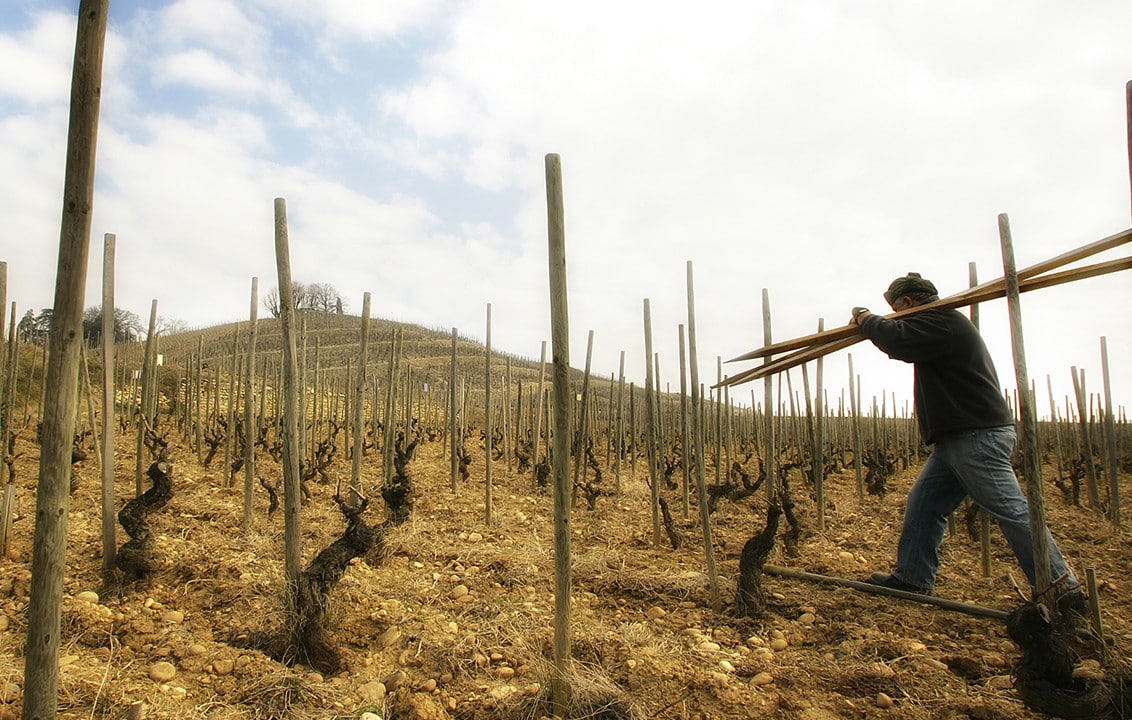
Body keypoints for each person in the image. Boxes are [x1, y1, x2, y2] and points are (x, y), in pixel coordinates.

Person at [850, 272, 1084, 615]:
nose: (895, 313)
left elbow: (895, 340)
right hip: (959, 437)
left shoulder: (942, 320)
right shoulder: (941, 322)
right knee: (925, 503)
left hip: (975, 435)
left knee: (1011, 509)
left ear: (908, 304)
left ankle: (1063, 591)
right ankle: (912, 577)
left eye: (895, 308)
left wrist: (865, 317)